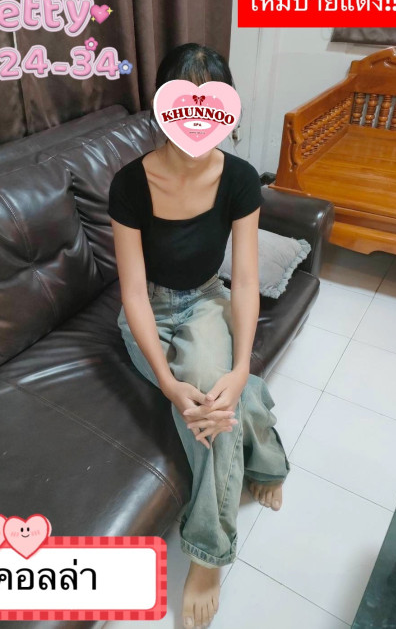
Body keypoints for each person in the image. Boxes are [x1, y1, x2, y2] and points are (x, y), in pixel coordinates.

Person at [108, 43, 291, 629]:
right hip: (149, 309)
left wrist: (240, 369)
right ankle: (267, 459)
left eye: (208, 107)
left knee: (216, 401)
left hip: (207, 299)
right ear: (163, 110)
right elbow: (133, 294)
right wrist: (167, 381)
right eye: (183, 106)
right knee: (203, 401)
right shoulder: (129, 184)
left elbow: (244, 281)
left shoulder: (238, 179)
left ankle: (208, 553)